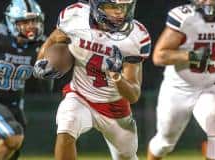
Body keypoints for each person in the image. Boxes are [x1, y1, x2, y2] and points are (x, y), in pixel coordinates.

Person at [33, 0, 151, 159]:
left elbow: (134, 94)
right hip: (80, 95)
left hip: (115, 107)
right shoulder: (74, 16)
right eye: (112, 7)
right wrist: (41, 62)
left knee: (127, 155)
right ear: (96, 5)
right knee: (66, 128)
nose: (119, 12)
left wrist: (116, 76)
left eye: (124, 7)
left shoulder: (136, 36)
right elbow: (54, 39)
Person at [147, 0, 215, 160]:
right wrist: (191, 56)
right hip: (177, 88)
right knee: (164, 143)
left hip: (209, 86)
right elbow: (159, 56)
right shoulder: (186, 17)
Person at [0, 0, 45, 159]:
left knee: (13, 151)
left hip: (14, 104)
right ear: (11, 21)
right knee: (13, 136)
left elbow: (46, 85)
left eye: (34, 21)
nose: (31, 26)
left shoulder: (42, 45)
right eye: (24, 21)